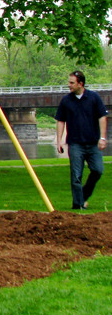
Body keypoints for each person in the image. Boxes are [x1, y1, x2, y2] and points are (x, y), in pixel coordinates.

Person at [54, 70, 107, 210]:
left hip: (93, 143)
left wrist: (102, 138)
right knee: (76, 176)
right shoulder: (66, 100)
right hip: (75, 144)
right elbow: (60, 121)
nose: (69, 85)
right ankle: (78, 206)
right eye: (69, 82)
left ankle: (82, 197)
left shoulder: (94, 98)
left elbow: (102, 117)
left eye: (72, 83)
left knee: (98, 170)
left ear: (81, 84)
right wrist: (59, 141)